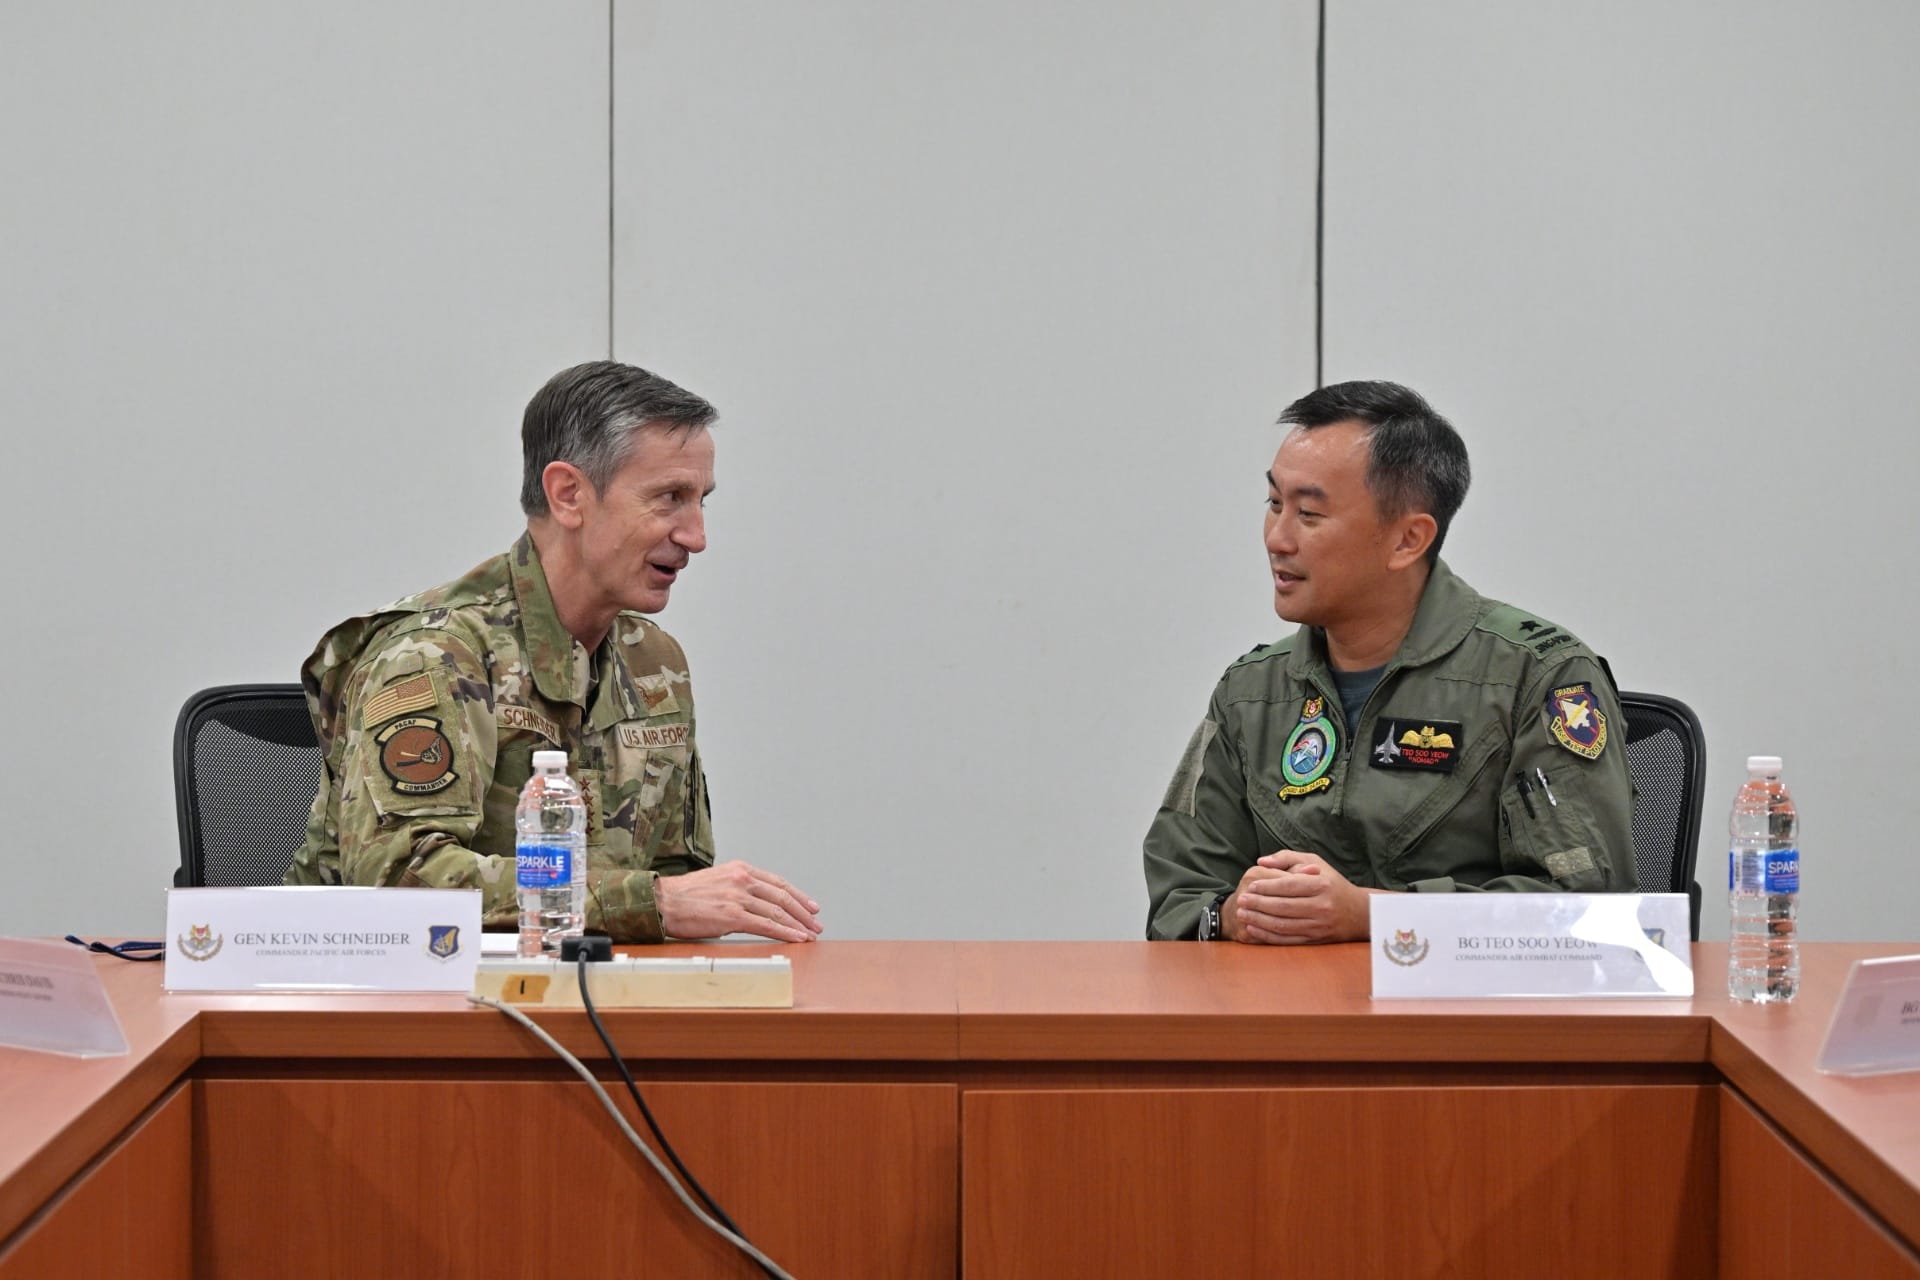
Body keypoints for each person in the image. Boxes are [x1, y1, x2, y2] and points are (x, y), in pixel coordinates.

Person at [285, 361, 823, 944]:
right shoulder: (436, 655)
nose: (696, 536)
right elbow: (397, 880)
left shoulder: (654, 664)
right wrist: (649, 902)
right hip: (395, 1011)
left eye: (701, 501)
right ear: (569, 495)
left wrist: (668, 909)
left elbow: (677, 880)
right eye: (670, 498)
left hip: (585, 1004)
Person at [1143, 381, 1634, 944]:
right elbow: (1178, 894)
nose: (1277, 539)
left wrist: (1376, 917)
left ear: (1407, 540)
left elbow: (1590, 913)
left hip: (1466, 1025)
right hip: (1288, 1019)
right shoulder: (1251, 693)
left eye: (1309, 513)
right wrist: (1235, 914)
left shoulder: (1538, 677)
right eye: (1274, 504)